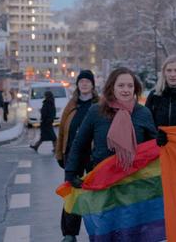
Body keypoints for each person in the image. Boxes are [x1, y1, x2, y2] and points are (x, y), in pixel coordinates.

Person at [66, 67, 157, 184]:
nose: (126, 90)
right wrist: (71, 173)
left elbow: (152, 147)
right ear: (112, 87)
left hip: (135, 182)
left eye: (130, 86)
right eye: (121, 85)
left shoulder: (143, 113)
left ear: (135, 89)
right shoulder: (96, 111)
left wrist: (162, 141)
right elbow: (80, 143)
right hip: (103, 179)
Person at [54, 70, 98, 242]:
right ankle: (70, 233)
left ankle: (97, 230)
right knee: (71, 194)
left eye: (88, 81)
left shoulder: (100, 105)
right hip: (72, 157)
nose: (85, 84)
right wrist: (60, 153)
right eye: (82, 81)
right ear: (78, 84)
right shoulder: (71, 106)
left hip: (93, 157)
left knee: (95, 195)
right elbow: (62, 132)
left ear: (93, 85)